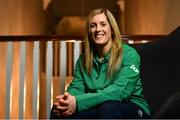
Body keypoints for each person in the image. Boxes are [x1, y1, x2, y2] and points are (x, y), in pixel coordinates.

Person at [50, 8, 151, 119]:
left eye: (103, 24)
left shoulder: (129, 54)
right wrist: (66, 101)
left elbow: (120, 91)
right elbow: (77, 88)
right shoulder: (83, 60)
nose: (98, 29)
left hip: (134, 108)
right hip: (99, 106)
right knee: (57, 111)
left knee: (108, 108)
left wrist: (78, 102)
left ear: (112, 29)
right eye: (93, 25)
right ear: (89, 31)